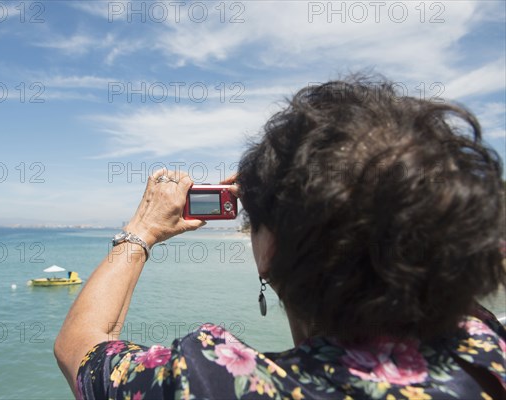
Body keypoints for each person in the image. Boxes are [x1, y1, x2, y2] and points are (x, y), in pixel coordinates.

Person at [55, 76, 506, 399]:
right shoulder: (485, 349)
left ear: (268, 249)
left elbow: (79, 345)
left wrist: (143, 230)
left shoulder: (212, 382)